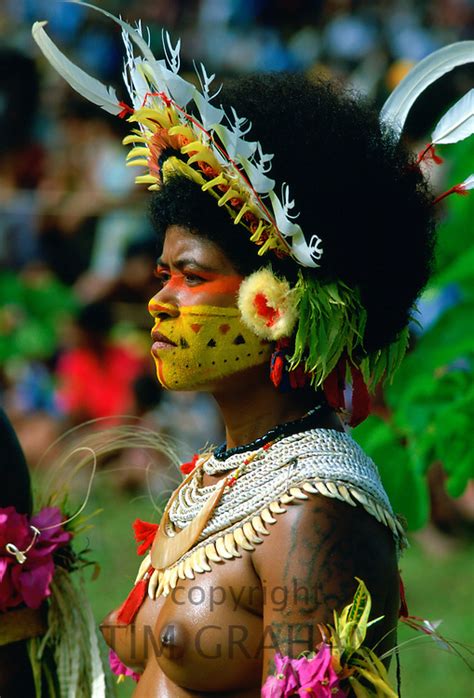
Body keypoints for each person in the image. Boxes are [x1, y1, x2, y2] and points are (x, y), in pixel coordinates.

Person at [32, 10, 473, 696]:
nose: (161, 300)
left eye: (194, 275)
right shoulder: (222, 478)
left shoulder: (315, 510)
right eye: (162, 275)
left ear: (278, 301)